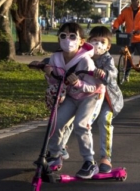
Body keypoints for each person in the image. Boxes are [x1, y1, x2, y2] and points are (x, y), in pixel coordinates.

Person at [43, 22, 105, 179]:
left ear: (81, 41)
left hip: (90, 97)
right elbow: (55, 83)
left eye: (72, 36)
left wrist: (78, 83)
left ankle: (89, 162)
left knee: (81, 124)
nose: (67, 40)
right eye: (63, 36)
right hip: (71, 96)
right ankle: (55, 154)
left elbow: (94, 87)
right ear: (58, 39)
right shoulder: (55, 58)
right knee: (56, 122)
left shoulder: (85, 61)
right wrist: (49, 74)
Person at [60, 26, 124, 174]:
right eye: (94, 40)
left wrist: (103, 74)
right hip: (86, 97)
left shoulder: (107, 59)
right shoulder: (82, 55)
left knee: (103, 121)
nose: (97, 44)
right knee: (72, 117)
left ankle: (105, 157)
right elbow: (65, 60)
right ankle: (60, 148)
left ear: (108, 46)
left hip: (107, 99)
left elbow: (112, 74)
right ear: (88, 41)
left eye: (102, 41)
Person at [112, 0, 140, 82]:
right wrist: (115, 27)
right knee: (128, 57)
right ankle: (126, 75)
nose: (139, 2)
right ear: (132, 1)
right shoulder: (126, 11)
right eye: (137, 0)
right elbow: (119, 20)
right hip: (129, 38)